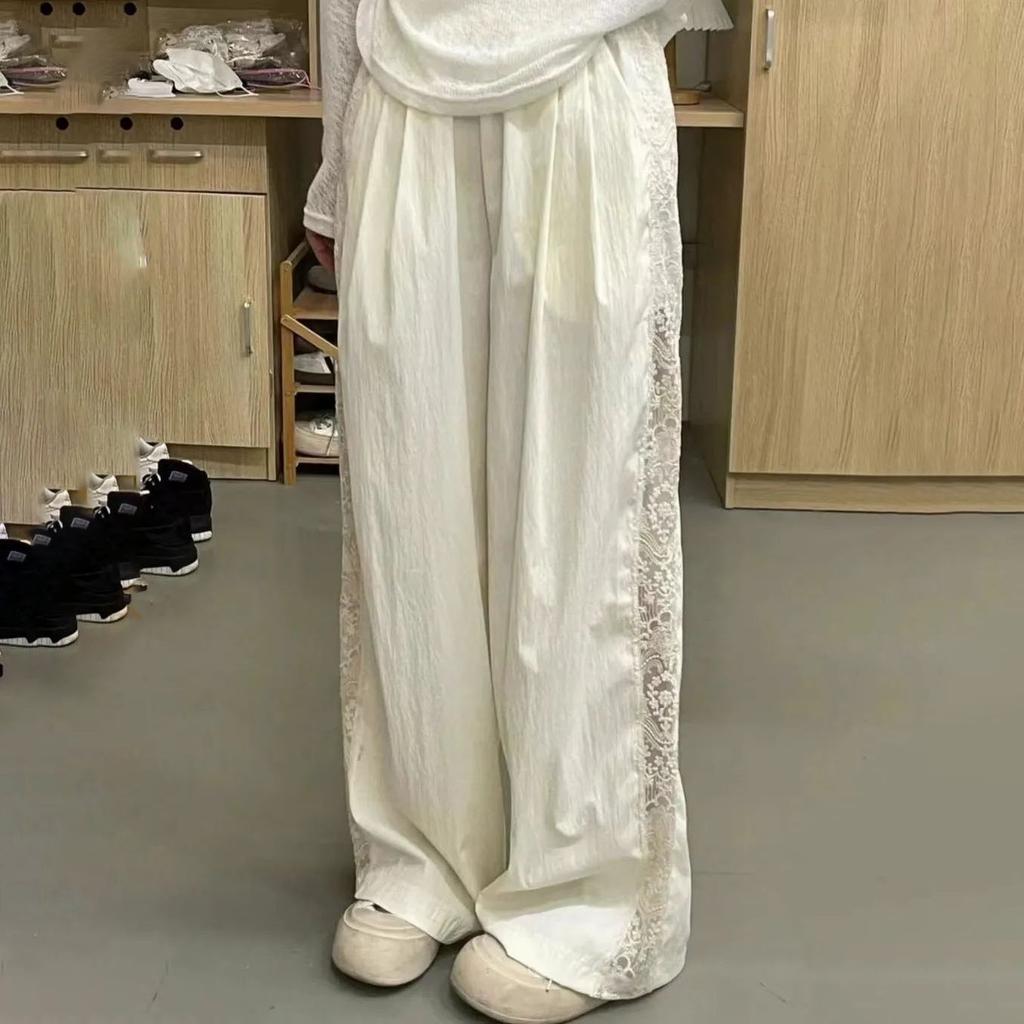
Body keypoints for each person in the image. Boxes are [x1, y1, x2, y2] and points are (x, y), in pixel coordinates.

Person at [303, 2, 731, 1020]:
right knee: (411, 504)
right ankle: (423, 853)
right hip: (401, 97)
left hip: (577, 87)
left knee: (577, 517)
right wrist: (336, 165)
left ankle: (584, 892)